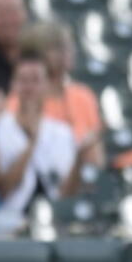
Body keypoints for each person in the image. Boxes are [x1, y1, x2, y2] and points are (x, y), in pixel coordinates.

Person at [0, 53, 90, 225]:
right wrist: (31, 143)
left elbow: (66, 195)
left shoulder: (61, 132)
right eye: (23, 80)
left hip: (54, 220)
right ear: (13, 85)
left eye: (36, 80)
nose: (29, 87)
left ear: (48, 85)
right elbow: (2, 190)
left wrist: (80, 160)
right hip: (11, 218)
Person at [10, 21, 104, 167]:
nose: (69, 52)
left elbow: (96, 159)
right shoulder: (20, 100)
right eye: (59, 47)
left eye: (69, 46)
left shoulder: (83, 97)